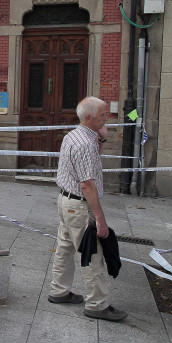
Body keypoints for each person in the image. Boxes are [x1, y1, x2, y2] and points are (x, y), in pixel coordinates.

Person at [49, 96, 127, 321]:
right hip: (78, 206)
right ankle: (97, 304)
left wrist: (100, 141)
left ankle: (59, 290)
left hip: (65, 202)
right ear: (90, 117)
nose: (107, 118)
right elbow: (87, 184)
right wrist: (100, 219)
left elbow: (88, 167)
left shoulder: (74, 135)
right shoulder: (85, 144)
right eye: (103, 115)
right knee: (93, 254)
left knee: (64, 247)